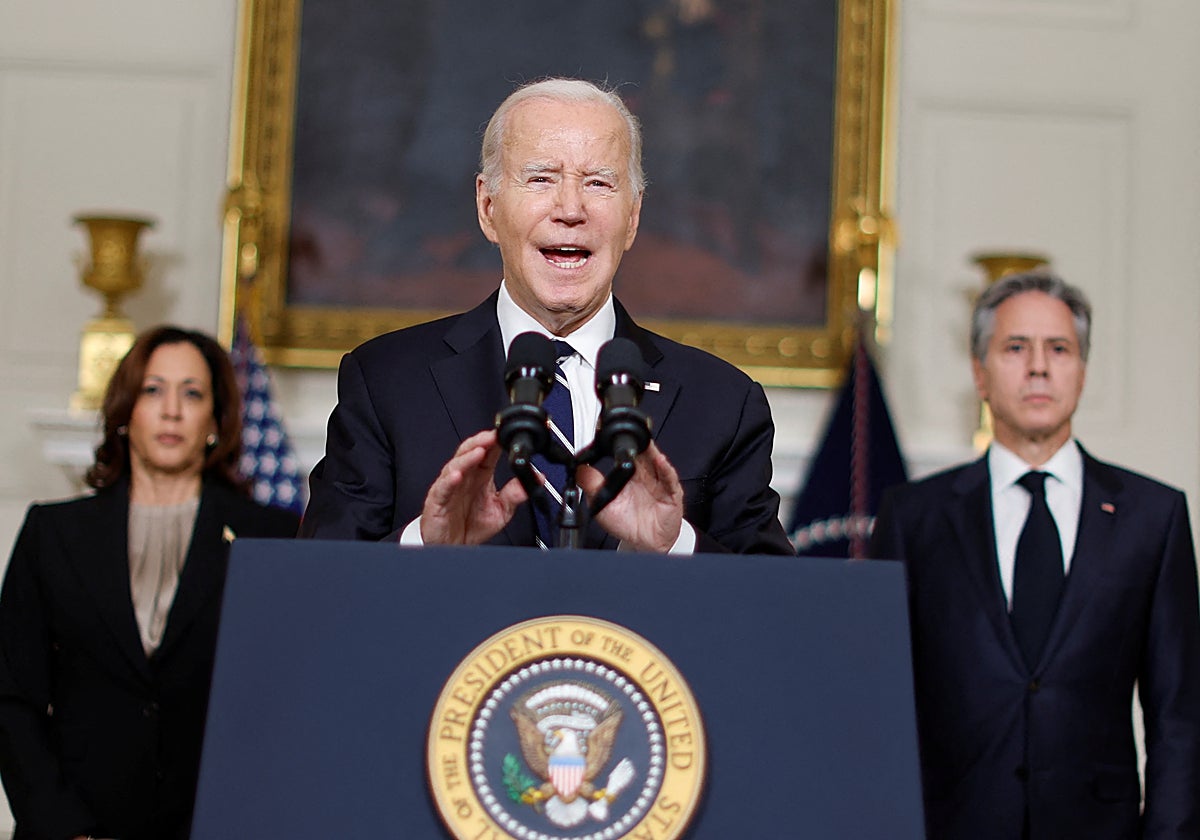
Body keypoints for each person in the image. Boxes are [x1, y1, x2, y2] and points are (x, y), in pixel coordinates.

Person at [299, 77, 793, 555]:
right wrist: (427, 545)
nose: (571, 209)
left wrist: (673, 544)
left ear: (634, 217)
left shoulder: (724, 403)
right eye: (541, 178)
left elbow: (778, 611)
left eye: (599, 183)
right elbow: (316, 595)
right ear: (488, 207)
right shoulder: (386, 382)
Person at [870, 271, 1200, 839]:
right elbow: (876, 697)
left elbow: (1179, 716)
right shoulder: (914, 517)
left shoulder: (1154, 517)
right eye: (1016, 348)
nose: (1039, 367)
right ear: (979, 372)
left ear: (1082, 370)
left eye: (1059, 349)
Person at [0, 326, 300, 840]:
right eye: (153, 390)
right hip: (74, 825)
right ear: (125, 411)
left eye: (192, 393)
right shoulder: (53, 533)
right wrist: (62, 827)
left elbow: (282, 703)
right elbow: (11, 698)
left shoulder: (269, 535)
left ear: (215, 418)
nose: (172, 410)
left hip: (215, 825)